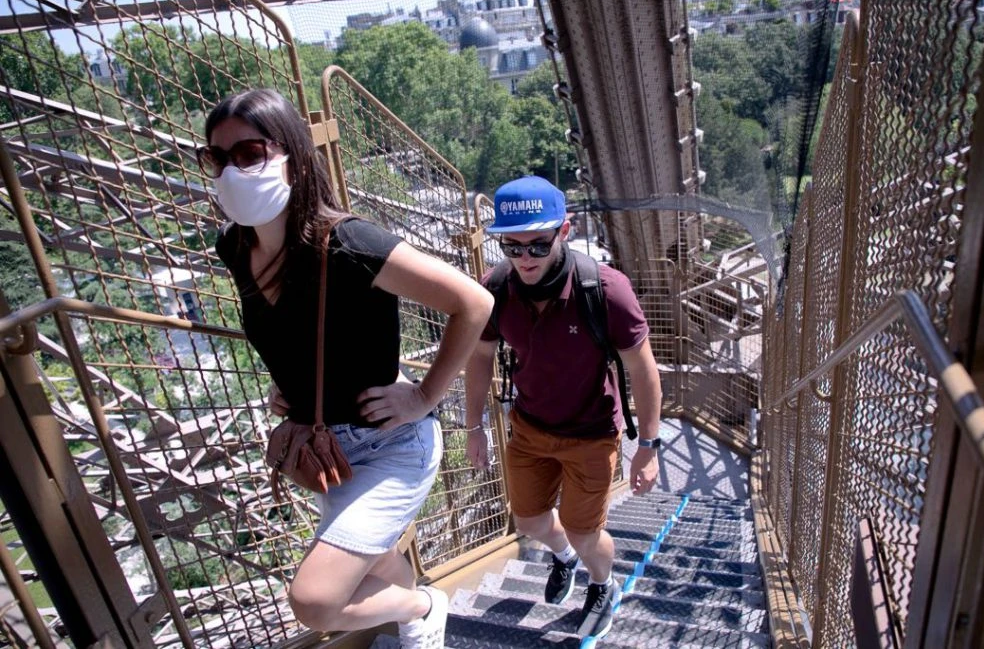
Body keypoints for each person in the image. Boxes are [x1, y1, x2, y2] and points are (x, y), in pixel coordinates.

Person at [202, 88, 493, 647]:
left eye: (249, 153)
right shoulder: (235, 247)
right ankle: (415, 625)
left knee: (315, 599)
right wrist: (286, 386)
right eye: (217, 158)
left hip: (391, 444)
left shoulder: (349, 242)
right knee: (377, 557)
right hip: (326, 447)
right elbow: (289, 328)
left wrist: (426, 396)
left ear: (290, 152)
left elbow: (474, 304)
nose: (231, 171)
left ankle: (423, 605)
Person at [463, 175, 663, 641]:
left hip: (591, 433)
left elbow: (644, 370)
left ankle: (602, 583)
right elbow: (479, 357)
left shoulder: (605, 290)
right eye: (512, 247)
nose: (524, 258)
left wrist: (649, 445)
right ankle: (565, 558)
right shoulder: (495, 289)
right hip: (530, 426)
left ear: (564, 232)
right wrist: (474, 427)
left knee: (583, 530)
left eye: (537, 244)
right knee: (528, 519)